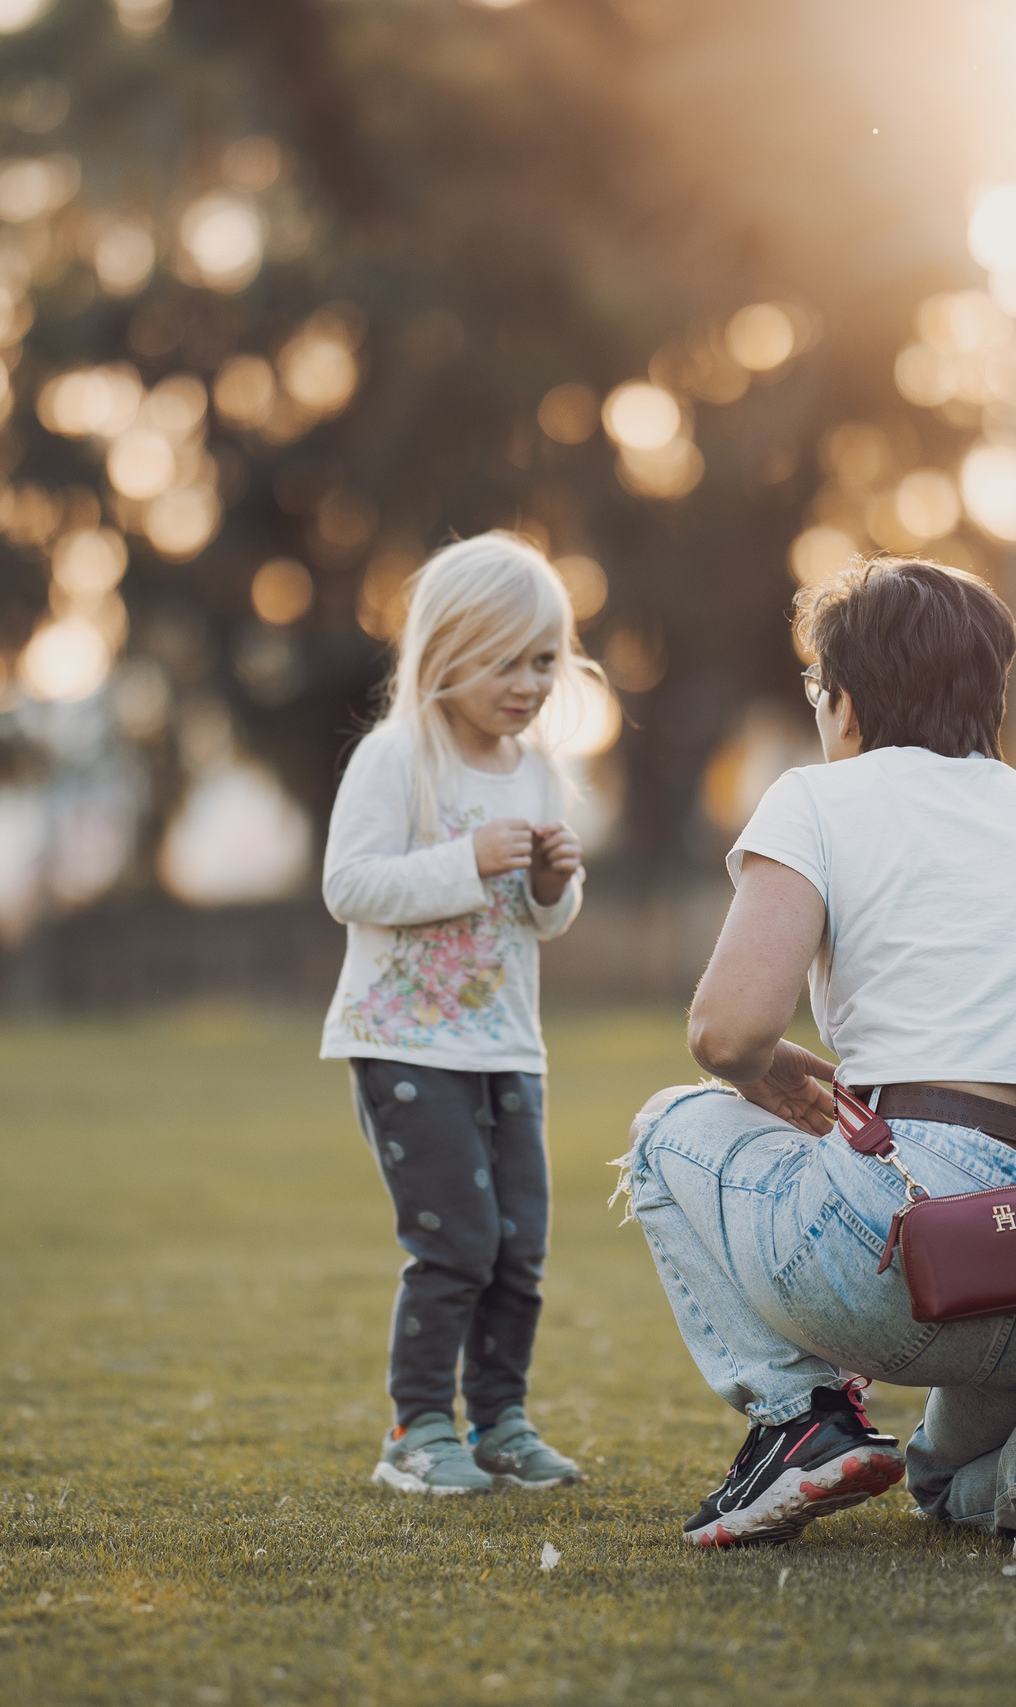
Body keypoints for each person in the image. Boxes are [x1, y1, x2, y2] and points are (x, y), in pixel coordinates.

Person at [615, 557, 1016, 1569]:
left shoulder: (821, 799)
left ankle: (799, 1420)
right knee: (940, 1483)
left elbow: (724, 1032)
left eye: (818, 692)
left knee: (665, 1129)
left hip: (910, 1248)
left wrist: (776, 1075)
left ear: (843, 703)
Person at [320, 532, 610, 1497]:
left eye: (544, 660)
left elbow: (538, 921)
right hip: (403, 1041)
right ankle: (417, 1427)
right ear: (444, 651)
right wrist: (468, 861)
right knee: (456, 1244)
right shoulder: (396, 756)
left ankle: (501, 1420)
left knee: (519, 1247)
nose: (529, 683)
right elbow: (348, 885)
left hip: (505, 1044)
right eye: (505, 660)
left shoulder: (533, 769)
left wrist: (549, 883)